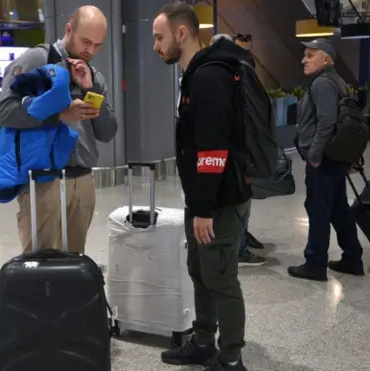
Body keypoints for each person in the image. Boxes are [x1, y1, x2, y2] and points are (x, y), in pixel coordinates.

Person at [153, 4, 252, 370]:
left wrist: (205, 209)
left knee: (221, 278)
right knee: (200, 271)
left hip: (220, 200)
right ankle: (203, 339)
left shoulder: (208, 78)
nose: (155, 46)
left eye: (159, 37)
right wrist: (197, 204)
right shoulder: (195, 75)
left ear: (182, 34)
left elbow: (213, 149)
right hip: (204, 198)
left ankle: (229, 359)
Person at [0, 5, 118, 254]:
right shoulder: (37, 60)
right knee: (40, 262)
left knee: (74, 260)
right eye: (86, 42)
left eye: (97, 45)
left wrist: (90, 90)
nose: (91, 51)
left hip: (82, 179)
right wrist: (59, 115)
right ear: (69, 29)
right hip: (43, 180)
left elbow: (107, 131)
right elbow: (4, 111)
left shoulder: (93, 75)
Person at [289, 38, 364, 282]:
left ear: (327, 59)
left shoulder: (322, 83)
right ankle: (353, 258)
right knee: (339, 208)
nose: (304, 60)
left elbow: (326, 123)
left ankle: (315, 263)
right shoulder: (338, 81)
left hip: (324, 159)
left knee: (318, 209)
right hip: (336, 158)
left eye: (310, 55)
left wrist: (314, 155)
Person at [209, 33, 266, 266]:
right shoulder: (211, 79)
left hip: (240, 152)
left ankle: (241, 238)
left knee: (243, 201)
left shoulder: (238, 75)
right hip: (227, 156)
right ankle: (238, 246)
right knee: (232, 203)